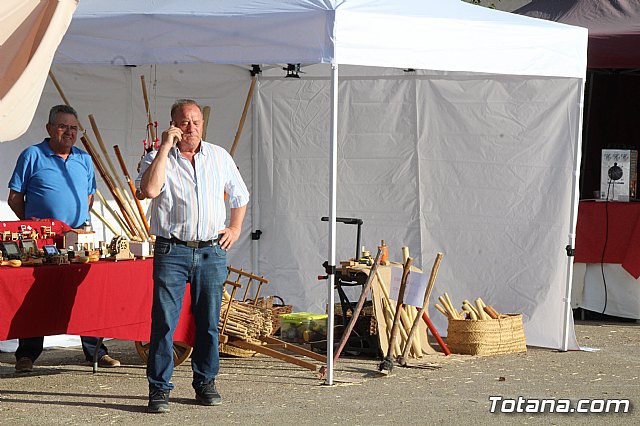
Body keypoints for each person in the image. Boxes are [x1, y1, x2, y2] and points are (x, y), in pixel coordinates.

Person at [137, 99, 249, 413]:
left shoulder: (219, 156)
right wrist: (164, 148)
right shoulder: (156, 158)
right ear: (172, 124)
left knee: (208, 322)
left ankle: (205, 383)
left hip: (212, 250)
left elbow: (240, 195)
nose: (191, 128)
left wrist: (236, 228)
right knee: (164, 324)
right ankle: (159, 389)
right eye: (184, 122)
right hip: (171, 249)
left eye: (196, 122)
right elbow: (149, 190)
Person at [7, 105, 121, 372]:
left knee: (85, 294)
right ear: (49, 129)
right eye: (62, 126)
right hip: (41, 240)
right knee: (36, 296)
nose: (68, 132)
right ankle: (27, 354)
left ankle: (95, 352)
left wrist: (76, 223)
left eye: (73, 128)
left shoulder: (84, 159)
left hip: (78, 237)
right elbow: (15, 197)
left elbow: (89, 196)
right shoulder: (32, 155)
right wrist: (36, 225)